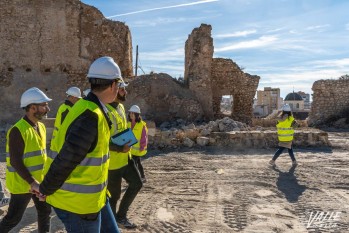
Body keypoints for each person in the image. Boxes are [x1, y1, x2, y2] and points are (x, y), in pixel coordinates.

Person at [33, 57, 123, 233]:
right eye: (119, 85)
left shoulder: (89, 107)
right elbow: (66, 159)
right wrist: (45, 188)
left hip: (96, 198)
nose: (119, 89)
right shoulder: (90, 116)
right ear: (113, 85)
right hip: (78, 205)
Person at [0, 87, 52, 232]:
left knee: (45, 212)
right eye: (44, 105)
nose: (47, 108)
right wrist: (32, 183)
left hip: (39, 182)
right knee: (13, 218)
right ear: (32, 108)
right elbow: (16, 161)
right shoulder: (18, 130)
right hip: (22, 184)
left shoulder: (40, 126)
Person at [107, 83, 143, 229]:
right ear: (113, 90)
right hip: (113, 163)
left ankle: (120, 217)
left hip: (125, 158)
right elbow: (102, 141)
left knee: (137, 183)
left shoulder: (121, 107)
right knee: (113, 197)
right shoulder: (105, 111)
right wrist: (119, 147)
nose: (125, 92)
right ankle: (111, 224)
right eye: (122, 89)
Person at [50, 86, 81, 153]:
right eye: (78, 99)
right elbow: (65, 128)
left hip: (60, 141)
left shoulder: (66, 107)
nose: (79, 100)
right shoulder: (66, 109)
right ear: (72, 97)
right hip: (61, 142)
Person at [127, 105, 148, 182]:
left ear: (137, 114)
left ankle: (137, 179)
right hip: (129, 149)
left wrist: (142, 146)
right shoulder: (128, 124)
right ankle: (142, 177)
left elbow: (144, 137)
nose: (131, 115)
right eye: (130, 113)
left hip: (138, 149)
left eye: (133, 113)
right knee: (137, 163)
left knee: (134, 164)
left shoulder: (142, 125)